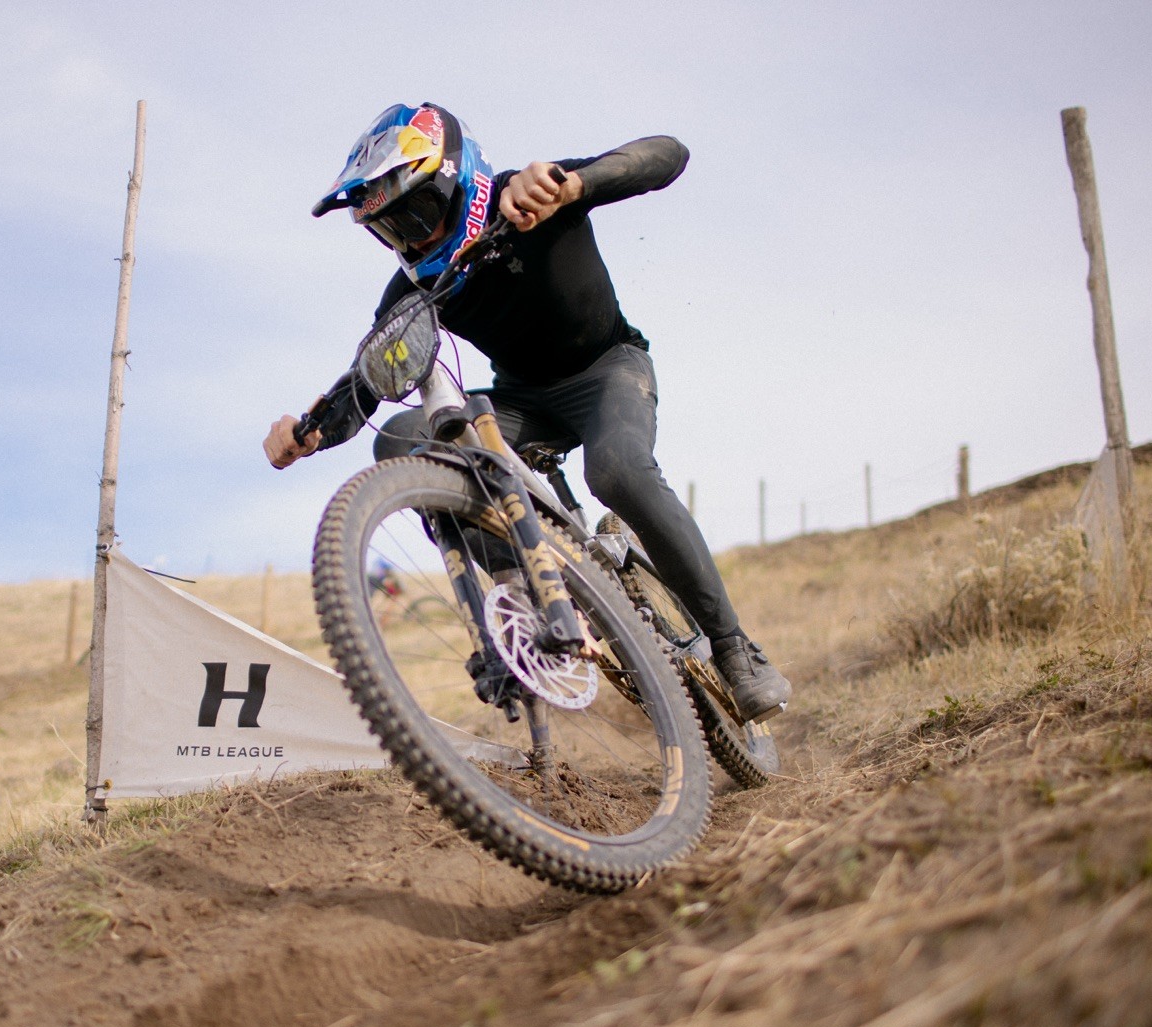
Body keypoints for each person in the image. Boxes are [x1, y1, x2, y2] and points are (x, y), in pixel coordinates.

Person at [262, 102, 792, 720]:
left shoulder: (530, 193)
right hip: (521, 402)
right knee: (407, 440)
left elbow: (667, 154)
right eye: (394, 230)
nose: (416, 238)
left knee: (616, 470)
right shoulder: (412, 289)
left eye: (418, 212)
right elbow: (372, 377)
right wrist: (309, 431)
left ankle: (734, 649)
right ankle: (532, 592)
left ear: (456, 182)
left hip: (609, 370)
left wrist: (575, 186)